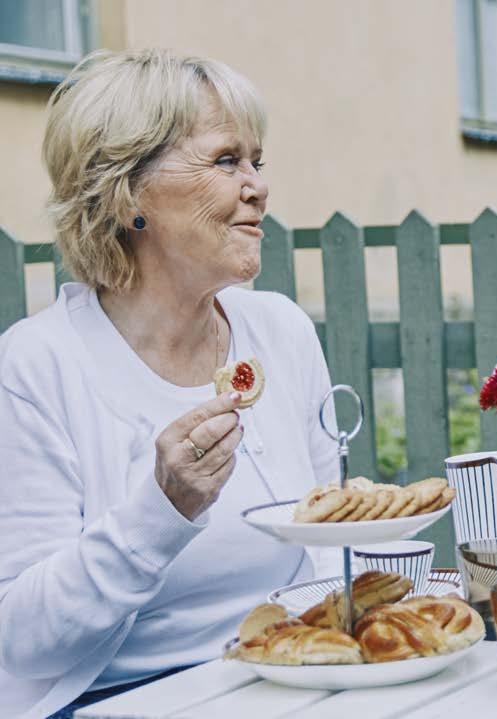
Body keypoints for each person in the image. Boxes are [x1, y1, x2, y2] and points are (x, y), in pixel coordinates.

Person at [0, 50, 339, 718]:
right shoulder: (38, 364)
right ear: (129, 195)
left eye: (257, 162)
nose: (257, 186)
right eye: (224, 161)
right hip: (121, 698)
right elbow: (22, 640)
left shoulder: (281, 332)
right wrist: (162, 509)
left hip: (291, 682)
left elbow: (331, 545)